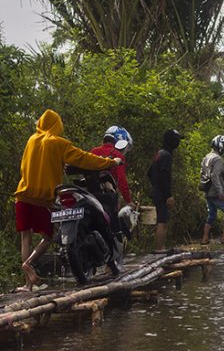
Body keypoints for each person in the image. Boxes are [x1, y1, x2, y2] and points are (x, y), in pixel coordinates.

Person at [14, 109, 122, 291]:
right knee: (47, 237)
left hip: (22, 194)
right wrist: (111, 163)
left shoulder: (31, 140)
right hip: (43, 199)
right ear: (57, 126)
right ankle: (29, 263)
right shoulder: (59, 143)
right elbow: (85, 159)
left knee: (25, 238)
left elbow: (25, 166)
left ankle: (27, 284)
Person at [148, 129, 184, 250]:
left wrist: (155, 185)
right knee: (162, 222)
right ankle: (160, 249)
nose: (178, 143)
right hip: (161, 194)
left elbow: (150, 173)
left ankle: (160, 247)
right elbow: (163, 175)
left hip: (157, 191)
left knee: (161, 221)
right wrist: (168, 195)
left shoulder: (159, 153)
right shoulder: (166, 156)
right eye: (176, 140)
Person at [201, 135, 224, 245]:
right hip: (216, 191)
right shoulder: (218, 159)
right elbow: (215, 175)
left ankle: (205, 238)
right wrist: (220, 191)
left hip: (208, 191)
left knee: (212, 215)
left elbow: (203, 173)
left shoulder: (207, 157)